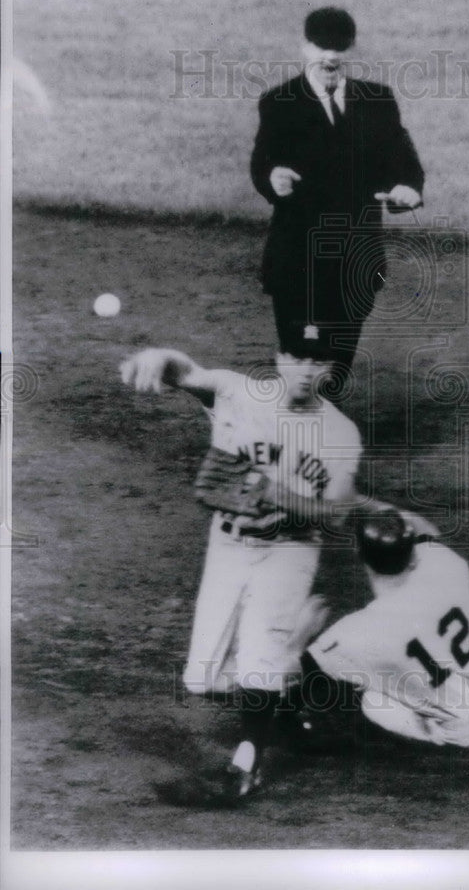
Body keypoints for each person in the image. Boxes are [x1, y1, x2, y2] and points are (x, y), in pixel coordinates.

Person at [120, 325, 364, 804]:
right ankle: (294, 687)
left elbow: (337, 512)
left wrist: (282, 498)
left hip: (290, 550)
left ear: (329, 371)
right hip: (229, 545)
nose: (304, 369)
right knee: (207, 679)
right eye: (296, 357)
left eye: (316, 362)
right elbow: (187, 372)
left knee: (258, 662)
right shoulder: (240, 393)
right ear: (279, 359)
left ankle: (246, 764)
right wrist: (157, 352)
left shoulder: (340, 433)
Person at [280, 510, 469, 754]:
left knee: (370, 700)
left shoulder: (354, 633)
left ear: (360, 557)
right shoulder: (443, 565)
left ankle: (431, 739)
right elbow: (425, 530)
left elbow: (291, 670)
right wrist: (377, 510)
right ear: (412, 555)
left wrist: (297, 638)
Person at [250, 6, 425, 375]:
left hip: (356, 260)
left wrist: (406, 189)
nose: (330, 55)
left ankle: (324, 419)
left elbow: (403, 162)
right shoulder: (280, 102)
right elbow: (263, 162)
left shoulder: (377, 101)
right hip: (299, 260)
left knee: (336, 367)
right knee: (302, 363)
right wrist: (273, 178)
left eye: (340, 47)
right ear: (304, 47)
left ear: (353, 50)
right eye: (320, 45)